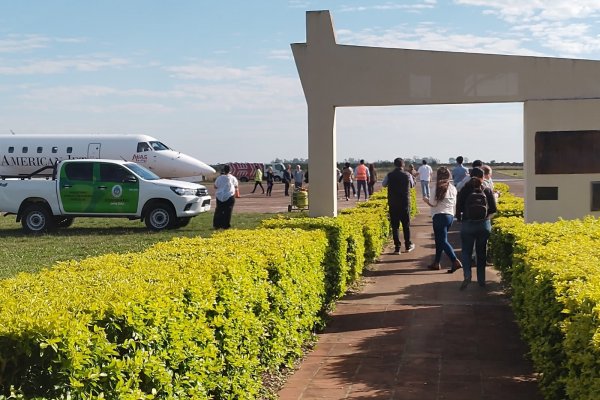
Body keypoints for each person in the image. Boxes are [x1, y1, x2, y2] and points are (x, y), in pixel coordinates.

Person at [455, 167, 497, 290]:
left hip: (468, 224)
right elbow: (493, 209)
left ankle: (467, 275)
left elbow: (458, 209)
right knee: (481, 252)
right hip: (483, 225)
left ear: (470, 175)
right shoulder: (487, 190)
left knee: (466, 252)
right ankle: (481, 280)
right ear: (482, 177)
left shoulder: (464, 190)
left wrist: (460, 219)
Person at [422, 167, 462, 272]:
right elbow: (454, 203)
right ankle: (436, 262)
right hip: (449, 216)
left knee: (441, 240)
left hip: (439, 216)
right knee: (440, 240)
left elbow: (433, 203)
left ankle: (454, 260)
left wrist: (426, 200)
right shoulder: (452, 188)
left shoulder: (435, 187)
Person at [382, 157, 416, 255]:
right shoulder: (407, 175)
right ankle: (408, 245)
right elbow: (412, 185)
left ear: (394, 165)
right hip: (405, 203)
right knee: (406, 225)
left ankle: (397, 248)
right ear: (403, 165)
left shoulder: (390, 175)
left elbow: (384, 184)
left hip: (393, 203)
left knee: (395, 226)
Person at [213, 164, 239, 229]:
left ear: (223, 170)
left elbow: (215, 186)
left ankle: (217, 225)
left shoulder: (219, 178)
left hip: (220, 196)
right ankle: (226, 225)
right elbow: (236, 186)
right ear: (230, 170)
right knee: (228, 210)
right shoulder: (233, 178)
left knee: (219, 210)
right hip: (229, 195)